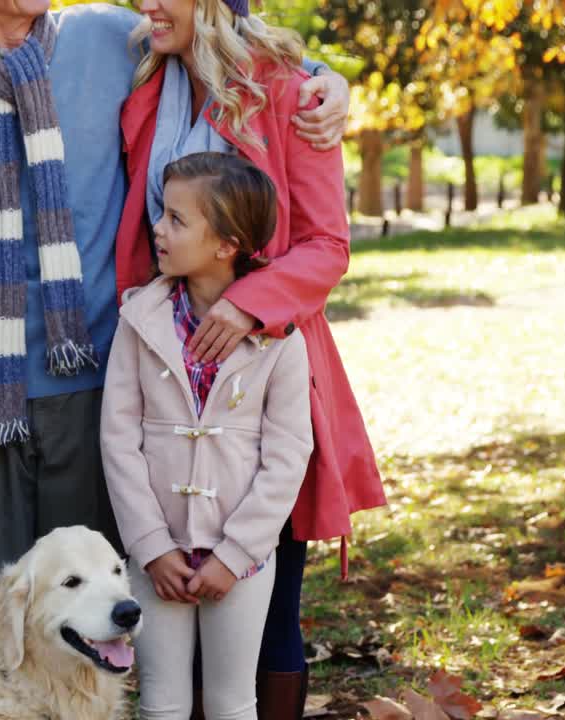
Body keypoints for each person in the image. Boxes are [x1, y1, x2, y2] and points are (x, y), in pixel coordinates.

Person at [0, 0, 351, 611]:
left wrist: (328, 79)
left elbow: (231, 45)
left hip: (103, 364)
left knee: (94, 602)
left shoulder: (111, 37)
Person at [111, 0, 388, 716]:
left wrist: (248, 305)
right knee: (171, 619)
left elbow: (328, 243)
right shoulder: (145, 77)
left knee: (267, 600)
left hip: (263, 365)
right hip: (163, 359)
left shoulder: (295, 96)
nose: (144, 5)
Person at [102, 152, 314, 720]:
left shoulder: (281, 340)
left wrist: (237, 552)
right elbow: (118, 439)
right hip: (157, 556)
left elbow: (290, 452)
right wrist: (151, 547)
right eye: (161, 214)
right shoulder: (137, 320)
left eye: (177, 219)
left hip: (239, 557)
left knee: (231, 703)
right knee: (161, 704)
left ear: (226, 244)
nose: (159, 229)